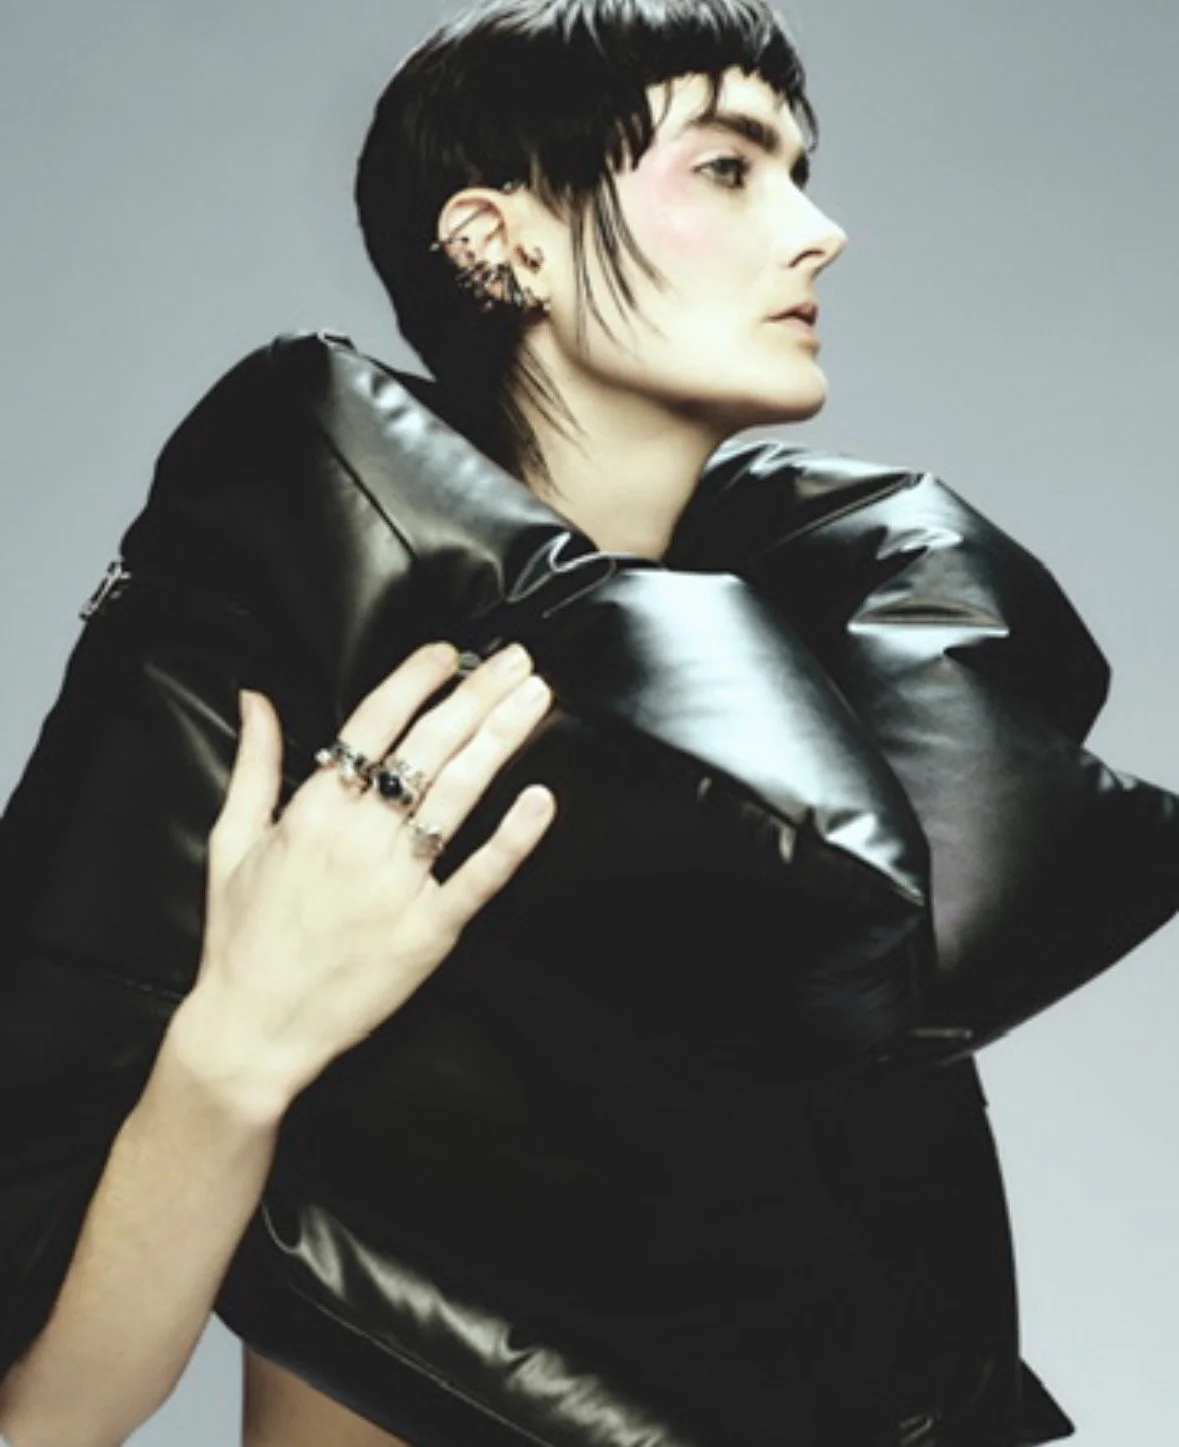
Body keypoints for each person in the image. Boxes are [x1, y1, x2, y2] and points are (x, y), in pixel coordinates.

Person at [0, 0, 1141, 1443]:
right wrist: (241, 1045)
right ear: (501, 243)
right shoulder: (310, 664)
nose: (818, 232)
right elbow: (44, 1415)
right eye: (727, 167)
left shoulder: (807, 745)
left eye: (799, 171)